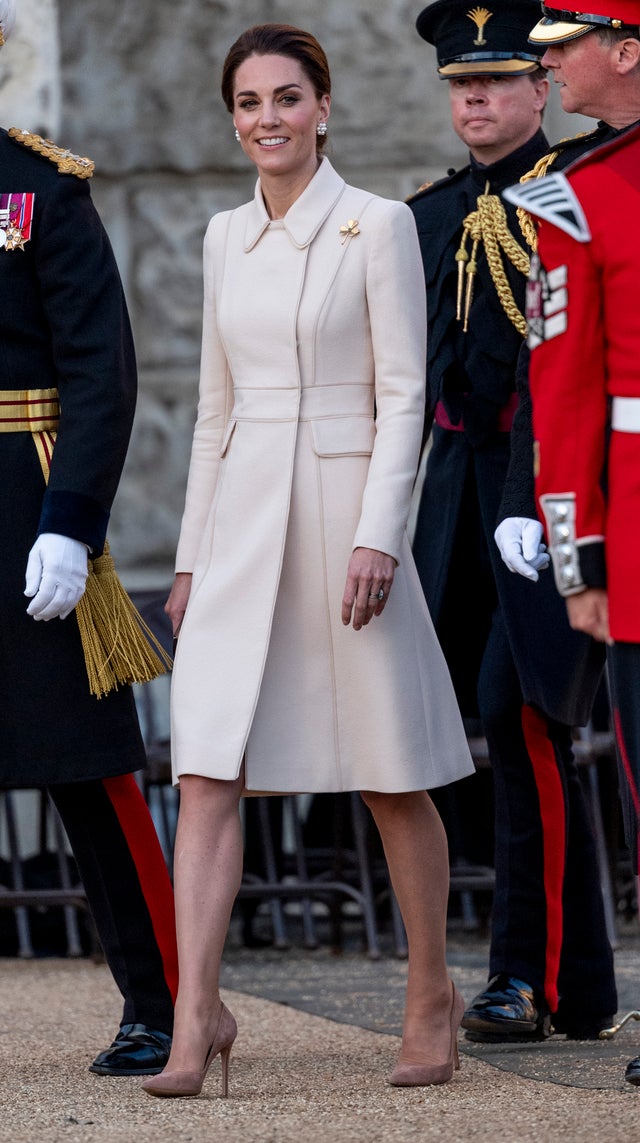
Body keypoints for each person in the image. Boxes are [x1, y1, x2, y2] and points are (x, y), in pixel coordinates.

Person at [142, 22, 475, 1100]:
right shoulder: (220, 235)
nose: (267, 121)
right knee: (205, 770)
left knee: (386, 772)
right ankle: (196, 1018)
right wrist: (190, 557)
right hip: (240, 524)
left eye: (286, 99)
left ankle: (432, 994)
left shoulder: (375, 227)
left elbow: (402, 395)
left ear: (322, 107)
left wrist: (383, 529)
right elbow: (214, 412)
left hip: (344, 516)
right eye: (247, 103)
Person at [408, 0, 617, 1044]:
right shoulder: (433, 211)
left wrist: (544, 496)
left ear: (541, 89)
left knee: (526, 714)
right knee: (488, 730)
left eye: (496, 79)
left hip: (543, 495)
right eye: (460, 83)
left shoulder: (576, 193)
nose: (476, 98)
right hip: (457, 500)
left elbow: (569, 362)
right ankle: (577, 984)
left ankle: (518, 976)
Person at [0, 0, 178, 1076]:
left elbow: (100, 373)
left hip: (25, 504)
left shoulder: (39, 190)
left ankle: (162, 996)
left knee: (89, 767)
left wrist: (71, 524)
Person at [501, 5, 640, 1090]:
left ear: (628, 46)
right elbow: (565, 390)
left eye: (565, 41)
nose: (544, 60)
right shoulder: (575, 194)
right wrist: (577, 557)